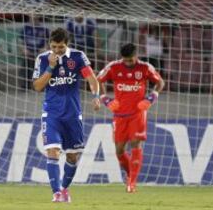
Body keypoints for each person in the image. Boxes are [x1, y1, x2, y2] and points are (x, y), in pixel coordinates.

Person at [32, 28, 100, 202]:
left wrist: (96, 96)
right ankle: (56, 193)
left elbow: (91, 78)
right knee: (52, 152)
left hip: (72, 114)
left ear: (67, 44)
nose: (57, 50)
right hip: (51, 114)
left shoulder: (77, 57)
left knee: (72, 156)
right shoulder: (42, 59)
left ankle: (64, 189)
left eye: (60, 47)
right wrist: (50, 67)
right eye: (54, 46)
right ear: (50, 44)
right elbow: (38, 87)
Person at [97, 43, 164, 193]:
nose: (128, 63)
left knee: (135, 144)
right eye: (125, 60)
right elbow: (97, 81)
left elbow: (160, 82)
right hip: (119, 114)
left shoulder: (145, 67)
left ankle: (132, 183)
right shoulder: (113, 67)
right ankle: (130, 175)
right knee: (119, 150)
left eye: (131, 60)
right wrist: (105, 99)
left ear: (136, 56)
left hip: (137, 114)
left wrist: (151, 98)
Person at [19, 15, 50, 89]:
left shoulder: (44, 28)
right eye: (32, 15)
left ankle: (40, 84)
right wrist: (24, 49)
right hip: (29, 51)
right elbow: (20, 41)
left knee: (41, 66)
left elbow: (48, 42)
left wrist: (44, 48)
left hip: (39, 52)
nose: (33, 17)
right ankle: (25, 84)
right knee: (26, 65)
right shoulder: (25, 28)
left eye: (35, 15)